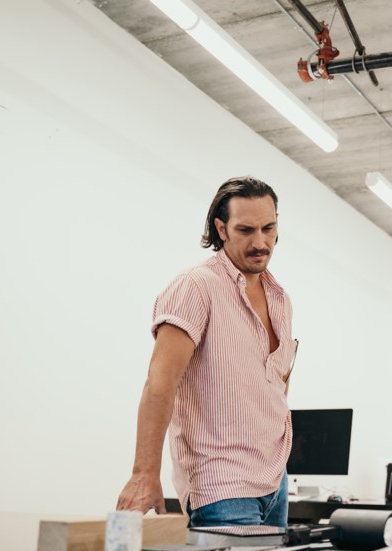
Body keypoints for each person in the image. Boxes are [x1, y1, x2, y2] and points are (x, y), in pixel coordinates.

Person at [116, 176, 297, 527]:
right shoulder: (195, 287)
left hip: (276, 481)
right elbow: (159, 385)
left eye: (269, 228)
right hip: (222, 487)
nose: (260, 242)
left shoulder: (281, 299)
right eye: (246, 230)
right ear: (222, 228)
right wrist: (143, 474)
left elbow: (278, 384)